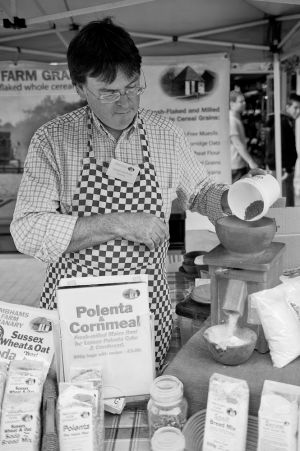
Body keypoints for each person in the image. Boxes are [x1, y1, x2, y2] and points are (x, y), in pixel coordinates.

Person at [10, 18, 254, 372]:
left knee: (144, 394)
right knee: (79, 403)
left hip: (142, 310)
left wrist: (240, 196)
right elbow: (27, 230)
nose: (124, 102)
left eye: (132, 87)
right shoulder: (53, 140)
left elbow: (200, 192)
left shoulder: (165, 134)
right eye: (109, 92)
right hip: (78, 313)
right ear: (79, 87)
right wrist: (120, 224)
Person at [265, 93, 300, 206]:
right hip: (281, 170)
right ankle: (285, 224)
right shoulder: (282, 123)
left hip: (282, 169)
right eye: (295, 107)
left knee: (285, 202)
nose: (298, 111)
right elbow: (276, 148)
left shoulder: (285, 122)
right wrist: (286, 168)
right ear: (287, 107)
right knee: (285, 204)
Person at [229, 90, 258, 183]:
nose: (244, 104)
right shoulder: (231, 120)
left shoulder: (236, 119)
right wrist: (251, 161)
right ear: (232, 104)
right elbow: (237, 143)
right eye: (241, 101)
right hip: (235, 166)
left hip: (239, 164)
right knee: (237, 194)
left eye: (244, 101)